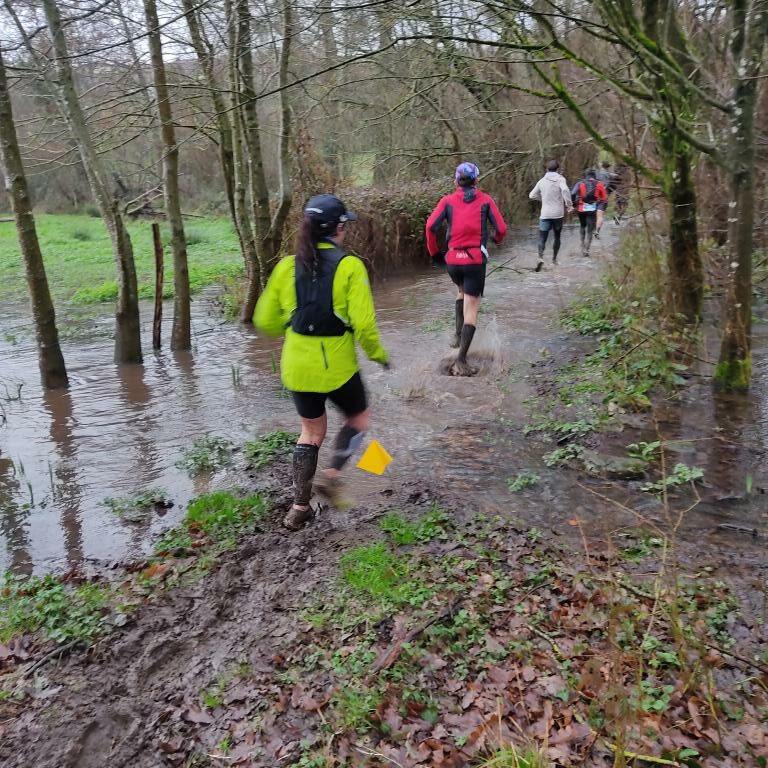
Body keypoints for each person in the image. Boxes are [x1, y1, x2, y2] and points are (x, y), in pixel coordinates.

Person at [254, 194, 390, 531]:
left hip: (296, 368)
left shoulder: (286, 266)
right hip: (338, 369)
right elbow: (365, 326)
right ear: (339, 228)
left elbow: (264, 321)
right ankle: (330, 477)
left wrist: (292, 323)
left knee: (311, 431)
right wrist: (378, 356)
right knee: (359, 418)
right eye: (345, 224)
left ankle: (298, 507)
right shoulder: (350, 267)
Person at [426, 162, 507, 376]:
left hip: (453, 260)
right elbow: (501, 229)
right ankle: (461, 360)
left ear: (456, 181)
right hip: (474, 261)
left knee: (461, 290)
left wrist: (435, 254)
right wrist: (496, 239)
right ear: (476, 180)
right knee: (472, 308)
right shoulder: (486, 201)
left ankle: (456, 335)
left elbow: (430, 227)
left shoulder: (447, 201)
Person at [528, 159, 573, 271]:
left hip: (545, 214)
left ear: (547, 169)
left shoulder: (541, 181)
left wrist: (542, 199)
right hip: (558, 214)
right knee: (557, 237)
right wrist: (569, 205)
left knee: (542, 238)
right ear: (558, 169)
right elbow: (565, 190)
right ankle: (554, 260)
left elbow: (531, 195)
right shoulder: (560, 179)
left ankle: (540, 257)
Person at [570, 169, 607, 257]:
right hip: (592, 210)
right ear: (594, 176)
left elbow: (573, 193)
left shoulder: (580, 183)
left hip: (581, 209)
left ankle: (582, 244)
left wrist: (574, 203)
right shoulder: (599, 184)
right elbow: (604, 197)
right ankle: (587, 249)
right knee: (590, 230)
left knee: (582, 226)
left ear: (586, 175)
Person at [594, 161, 618, 238]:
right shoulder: (608, 174)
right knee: (600, 216)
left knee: (593, 214)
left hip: (593, 196)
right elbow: (616, 176)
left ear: (601, 166)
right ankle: (597, 231)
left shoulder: (596, 173)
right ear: (607, 167)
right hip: (603, 197)